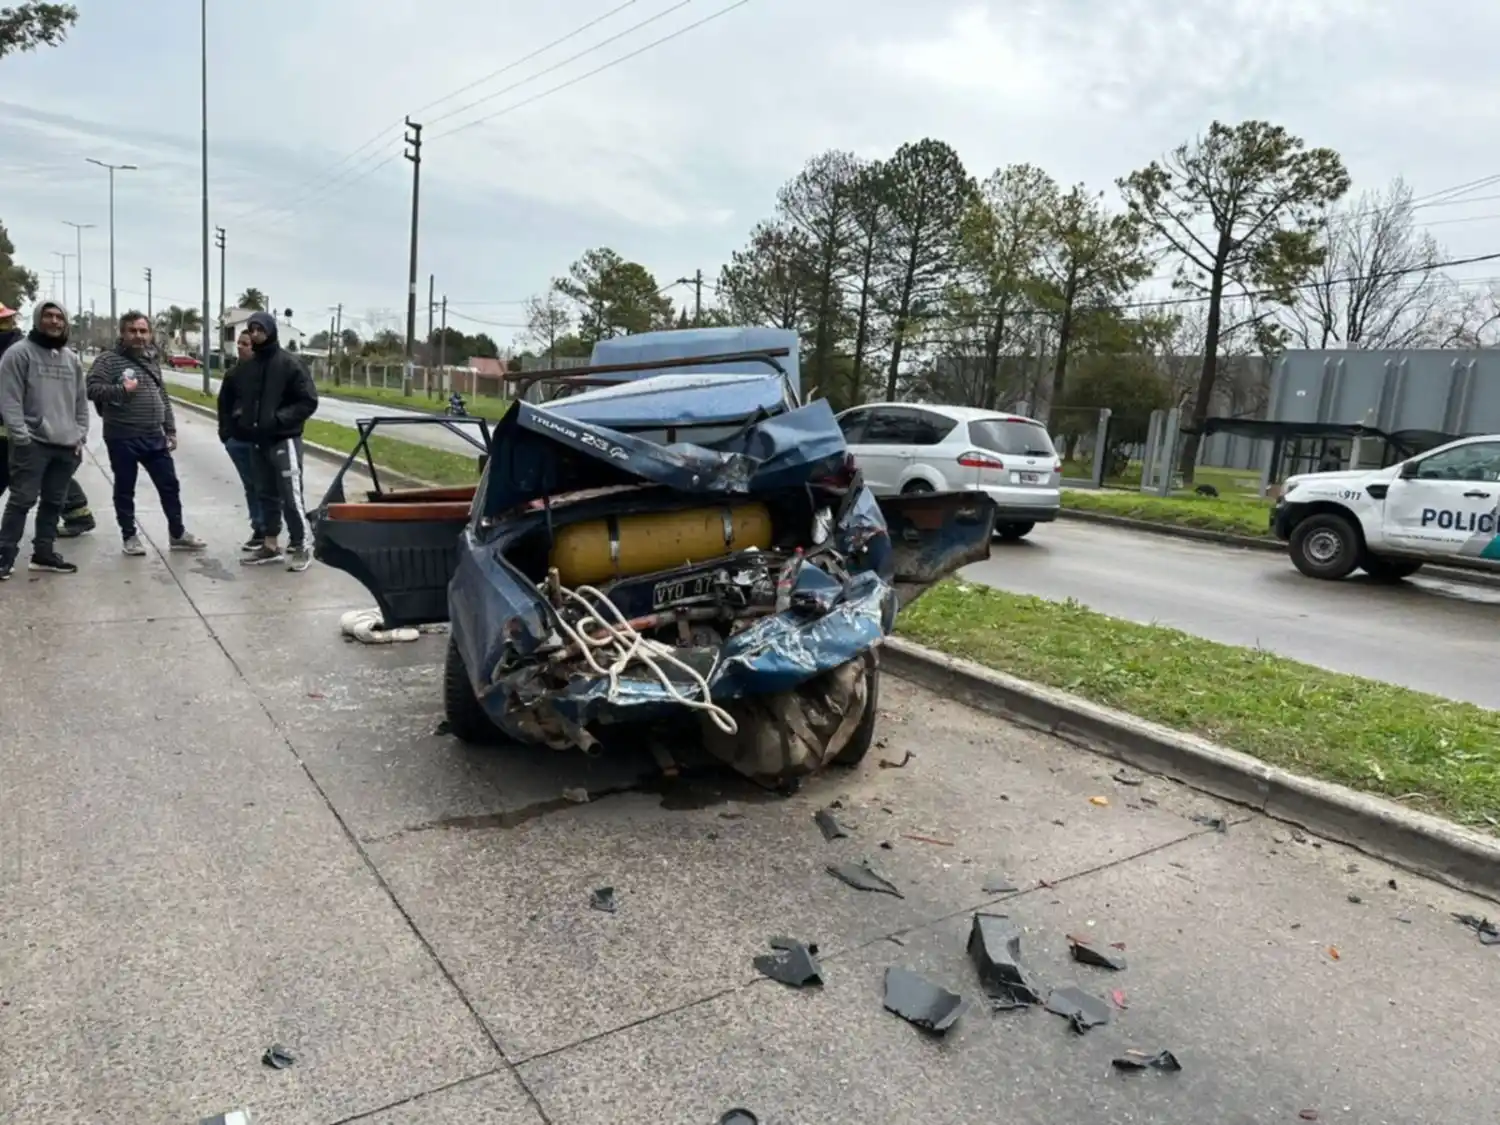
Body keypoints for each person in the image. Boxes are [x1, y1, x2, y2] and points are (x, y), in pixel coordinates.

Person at [87, 310, 206, 555]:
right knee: (125, 488)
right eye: (133, 331)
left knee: (169, 485)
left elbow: (162, 396)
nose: (139, 336)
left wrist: (170, 429)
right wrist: (121, 390)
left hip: (154, 435)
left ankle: (177, 533)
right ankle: (129, 536)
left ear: (150, 334)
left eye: (143, 331)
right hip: (122, 436)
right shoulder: (107, 360)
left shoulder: (152, 360)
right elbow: (92, 390)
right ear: (122, 334)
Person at [218, 311, 318, 570]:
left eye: (260, 329)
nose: (255, 333)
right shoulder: (249, 368)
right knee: (265, 494)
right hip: (257, 442)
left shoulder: (290, 364)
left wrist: (279, 419)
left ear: (271, 330)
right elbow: (237, 400)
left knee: (291, 495)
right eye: (251, 329)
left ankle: (302, 545)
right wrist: (241, 424)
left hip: (285, 440)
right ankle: (270, 545)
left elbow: (307, 401)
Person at [0, 300, 89, 579]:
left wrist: (80, 435)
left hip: (66, 445)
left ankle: (44, 554)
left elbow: (80, 402)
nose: (54, 321)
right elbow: (9, 399)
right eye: (48, 316)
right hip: (32, 444)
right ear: (38, 319)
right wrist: (22, 437)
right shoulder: (18, 354)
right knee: (22, 500)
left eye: (59, 316)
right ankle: (4, 555)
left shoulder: (71, 359)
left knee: (54, 501)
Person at [221, 330, 265, 551]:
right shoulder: (232, 374)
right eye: (239, 343)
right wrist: (226, 436)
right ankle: (259, 528)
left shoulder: (266, 373)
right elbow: (223, 406)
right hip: (238, 440)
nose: (240, 346)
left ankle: (280, 532)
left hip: (262, 440)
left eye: (245, 343)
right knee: (251, 485)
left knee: (266, 486)